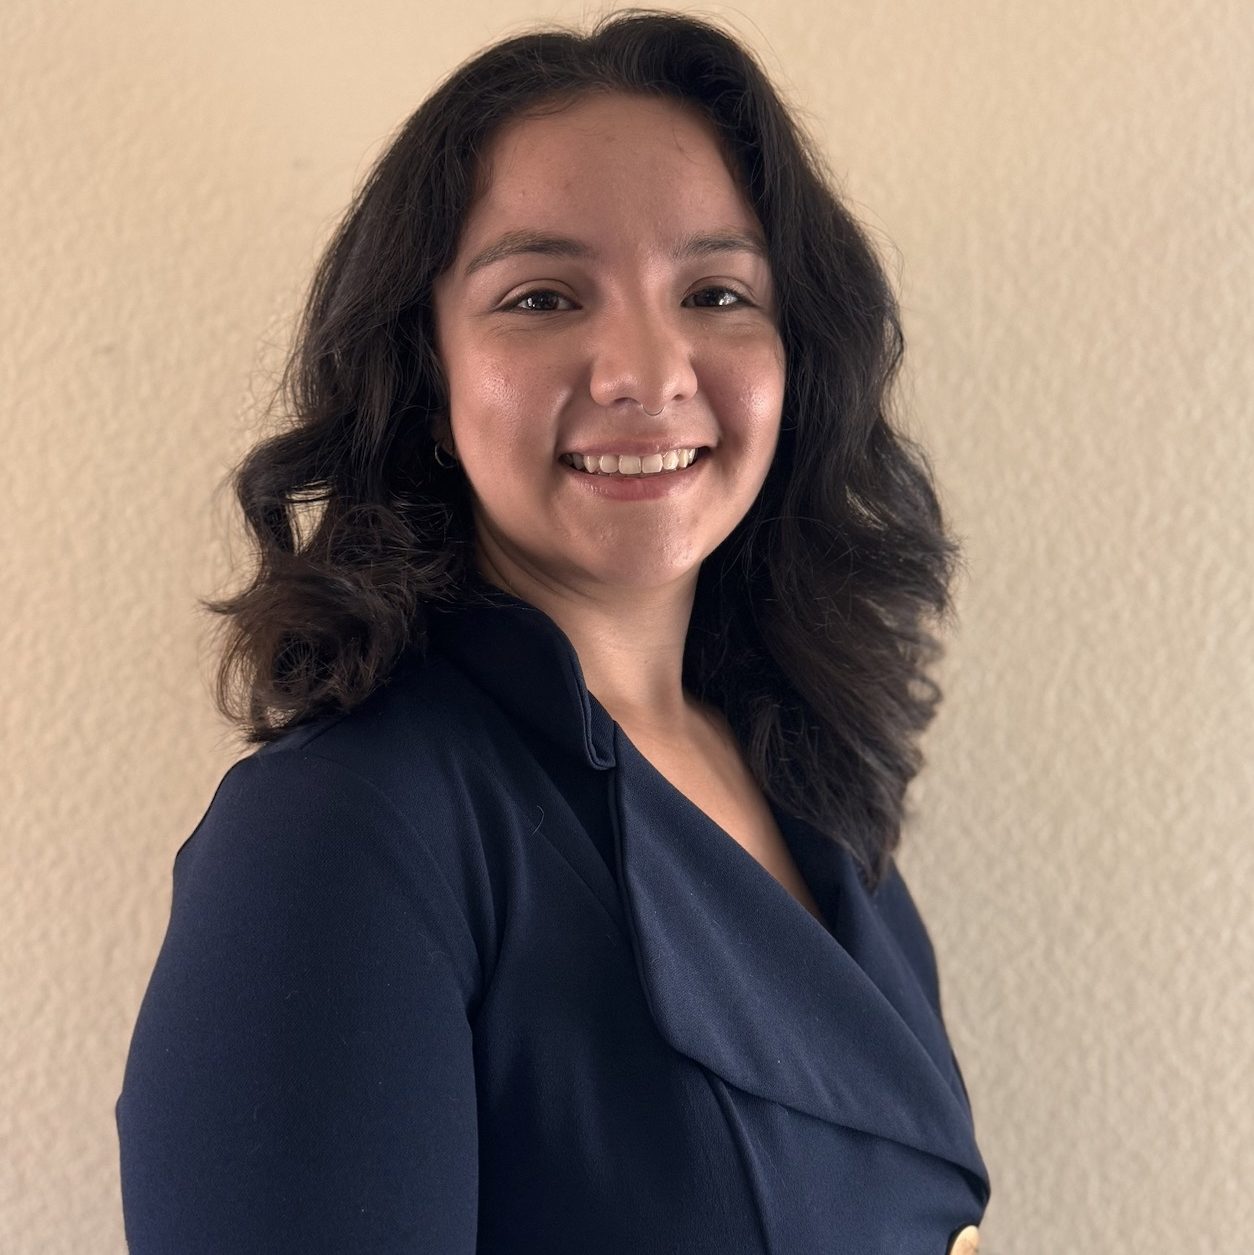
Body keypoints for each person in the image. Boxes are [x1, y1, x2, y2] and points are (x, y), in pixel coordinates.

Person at [115, 10, 989, 1253]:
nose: (647, 370)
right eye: (541, 296)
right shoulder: (341, 831)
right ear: (425, 376)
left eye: (717, 292)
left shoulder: (811, 774)